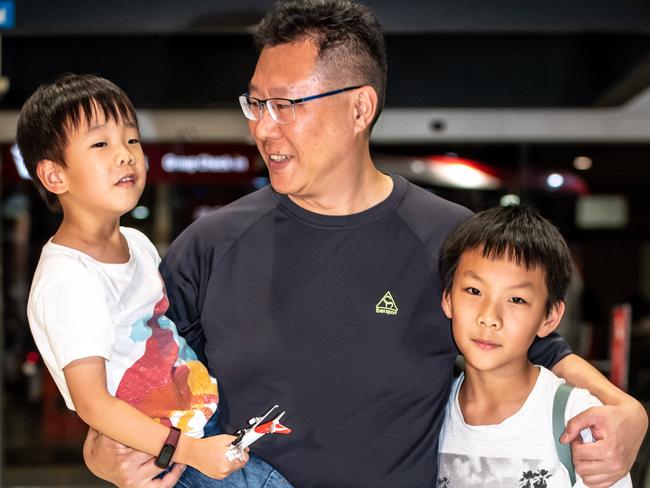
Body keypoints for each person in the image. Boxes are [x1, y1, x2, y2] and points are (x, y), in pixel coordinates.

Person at [83, 1, 648, 487]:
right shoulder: (209, 245)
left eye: (287, 105)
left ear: (360, 108)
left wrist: (627, 410)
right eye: (255, 104)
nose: (262, 127)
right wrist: (101, 454)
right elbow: (131, 374)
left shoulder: (448, 238)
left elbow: (539, 350)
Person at [18, 74, 260, 482]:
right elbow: (92, 403)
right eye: (101, 144)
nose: (125, 155)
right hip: (168, 455)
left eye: (131, 140)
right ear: (54, 176)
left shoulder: (137, 243)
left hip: (201, 423)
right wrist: (190, 451)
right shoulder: (68, 279)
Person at [437, 205, 632, 487]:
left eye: (516, 299)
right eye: (474, 291)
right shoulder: (432, 411)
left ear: (549, 317)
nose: (489, 318)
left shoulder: (577, 416)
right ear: (448, 299)